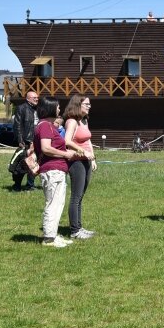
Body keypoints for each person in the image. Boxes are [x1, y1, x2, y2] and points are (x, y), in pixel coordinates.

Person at [34, 97, 76, 247]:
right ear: (50, 108)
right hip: (52, 171)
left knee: (58, 204)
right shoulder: (45, 126)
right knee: (53, 204)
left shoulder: (49, 126)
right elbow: (45, 148)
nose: (59, 109)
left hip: (56, 170)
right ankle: (49, 239)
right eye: (58, 107)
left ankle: (53, 234)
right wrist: (66, 154)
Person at [63, 95, 97, 240]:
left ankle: (79, 227)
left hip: (86, 161)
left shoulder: (83, 120)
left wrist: (93, 158)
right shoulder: (71, 121)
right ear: (78, 105)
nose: (89, 106)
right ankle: (75, 231)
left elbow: (88, 141)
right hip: (76, 162)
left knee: (80, 196)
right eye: (86, 104)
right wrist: (82, 152)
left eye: (89, 104)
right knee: (76, 197)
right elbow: (67, 141)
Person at [12, 91, 39, 191]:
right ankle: (17, 185)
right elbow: (17, 125)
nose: (36, 99)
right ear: (28, 98)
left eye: (37, 97)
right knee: (21, 164)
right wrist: (20, 140)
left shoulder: (37, 109)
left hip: (36, 141)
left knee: (33, 163)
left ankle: (30, 185)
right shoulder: (21, 108)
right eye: (34, 98)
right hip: (26, 141)